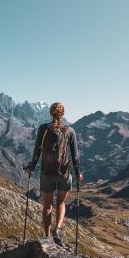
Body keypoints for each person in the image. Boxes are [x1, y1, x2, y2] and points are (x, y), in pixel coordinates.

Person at [25, 102, 83, 246]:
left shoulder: (43, 129)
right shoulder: (70, 131)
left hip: (47, 172)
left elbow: (37, 150)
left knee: (47, 206)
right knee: (61, 202)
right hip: (64, 172)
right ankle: (58, 229)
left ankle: (47, 236)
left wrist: (31, 166)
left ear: (50, 114)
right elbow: (75, 156)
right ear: (63, 115)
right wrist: (78, 173)